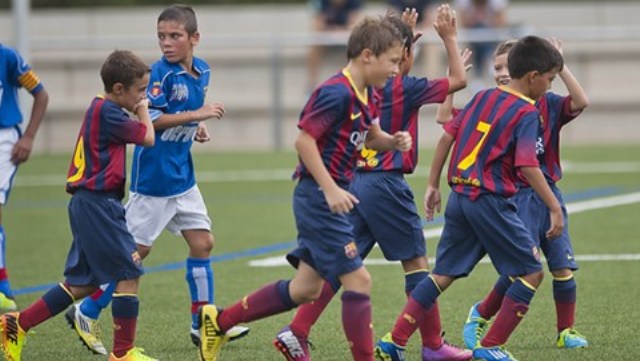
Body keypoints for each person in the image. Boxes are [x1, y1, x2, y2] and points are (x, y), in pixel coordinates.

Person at [197, 15, 411, 361]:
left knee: (305, 289)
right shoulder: (335, 92)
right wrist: (329, 189)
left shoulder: (368, 93)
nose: (396, 70)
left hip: (333, 198)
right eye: (392, 62)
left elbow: (372, 137)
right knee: (359, 281)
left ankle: (219, 322)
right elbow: (304, 141)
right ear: (368, 55)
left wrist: (393, 141)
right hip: (318, 198)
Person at [273, 6, 471, 361]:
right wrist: (450, 39)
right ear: (400, 55)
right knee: (417, 263)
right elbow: (458, 80)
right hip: (386, 184)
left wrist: (405, 40)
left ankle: (297, 330)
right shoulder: (406, 88)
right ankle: (433, 345)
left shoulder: (365, 87)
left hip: (355, 181)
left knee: (341, 264)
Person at [65, 4, 249, 356]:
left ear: (194, 38)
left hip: (182, 178)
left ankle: (202, 324)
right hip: (153, 181)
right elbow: (155, 119)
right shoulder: (158, 75)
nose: (166, 43)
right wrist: (196, 115)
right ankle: (86, 311)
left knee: (203, 243)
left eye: (175, 36)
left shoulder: (203, 70)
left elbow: (190, 108)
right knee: (134, 255)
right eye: (161, 36)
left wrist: (198, 124)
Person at [374, 35, 566, 361]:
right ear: (533, 77)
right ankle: (490, 347)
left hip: (460, 197)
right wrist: (553, 207)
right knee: (531, 272)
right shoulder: (526, 112)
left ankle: (394, 340)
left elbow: (447, 135)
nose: (549, 87)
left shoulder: (481, 98)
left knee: (442, 274)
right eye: (549, 80)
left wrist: (433, 184)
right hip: (489, 200)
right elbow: (527, 164)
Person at [0, 49, 156, 361]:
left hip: (89, 203)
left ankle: (17, 325)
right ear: (118, 90)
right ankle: (123, 353)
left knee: (82, 284)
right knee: (130, 270)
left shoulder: (100, 106)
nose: (143, 95)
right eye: (140, 90)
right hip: (98, 205)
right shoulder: (111, 114)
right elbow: (148, 137)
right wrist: (144, 110)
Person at [459, 38, 590, 351]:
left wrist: (559, 62)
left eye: (508, 66)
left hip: (548, 193)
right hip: (515, 195)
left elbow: (581, 100)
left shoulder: (547, 101)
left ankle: (565, 330)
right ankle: (481, 313)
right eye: (498, 67)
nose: (503, 72)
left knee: (562, 264)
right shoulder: (497, 104)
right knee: (524, 266)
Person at [0, 43, 49, 312]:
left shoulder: (8, 57)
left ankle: (2, 286)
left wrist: (28, 137)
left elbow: (41, 95)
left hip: (4, 140)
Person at [307, 0, 364, 90]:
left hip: (346, 39)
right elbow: (318, 26)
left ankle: (355, 85)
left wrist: (339, 31)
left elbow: (353, 26)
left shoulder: (354, 2)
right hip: (326, 38)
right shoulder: (319, 2)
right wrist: (335, 31)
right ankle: (310, 86)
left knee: (357, 47)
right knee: (315, 47)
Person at [454, 0, 508, 81]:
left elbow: (501, 24)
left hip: (491, 34)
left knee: (481, 34)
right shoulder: (464, 3)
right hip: (472, 34)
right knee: (479, 32)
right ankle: (489, 58)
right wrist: (476, 20)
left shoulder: (496, 2)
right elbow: (463, 24)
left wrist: (485, 21)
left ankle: (478, 75)